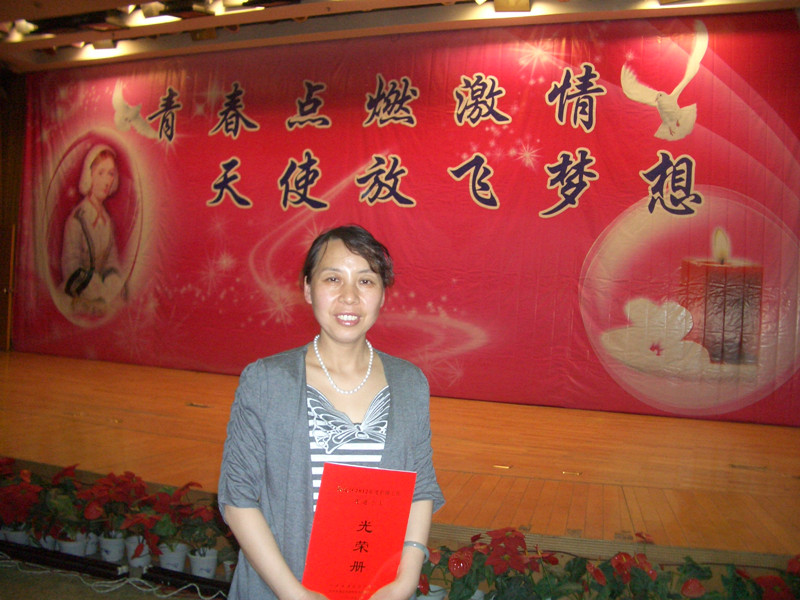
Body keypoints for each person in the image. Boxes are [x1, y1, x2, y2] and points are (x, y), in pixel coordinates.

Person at [218, 224, 444, 600]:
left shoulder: (409, 383)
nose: (349, 297)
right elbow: (238, 498)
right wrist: (295, 594)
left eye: (366, 281)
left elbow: (420, 488)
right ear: (308, 288)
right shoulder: (266, 381)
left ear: (383, 293)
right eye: (333, 279)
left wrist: (404, 581)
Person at [61, 143, 125, 314]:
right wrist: (98, 290)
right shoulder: (77, 220)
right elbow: (70, 268)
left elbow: (111, 262)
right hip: (78, 298)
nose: (107, 181)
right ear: (89, 176)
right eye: (101, 173)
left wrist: (113, 285)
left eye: (110, 173)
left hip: (104, 297)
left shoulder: (107, 222)